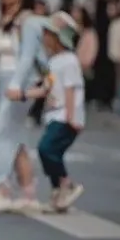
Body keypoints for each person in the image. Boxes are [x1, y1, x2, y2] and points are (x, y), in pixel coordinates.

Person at [0, 0, 46, 213]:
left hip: (20, 83)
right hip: (3, 82)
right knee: (16, 138)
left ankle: (2, 189)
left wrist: (18, 85)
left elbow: (28, 57)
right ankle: (28, 193)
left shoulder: (28, 20)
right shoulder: (3, 18)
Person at [26, 12, 85, 212]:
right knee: (50, 153)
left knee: (46, 149)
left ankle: (66, 184)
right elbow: (46, 88)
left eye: (50, 34)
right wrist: (23, 94)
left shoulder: (69, 60)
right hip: (53, 115)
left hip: (65, 116)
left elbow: (70, 89)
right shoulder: (53, 62)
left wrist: (71, 116)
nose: (45, 38)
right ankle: (58, 193)